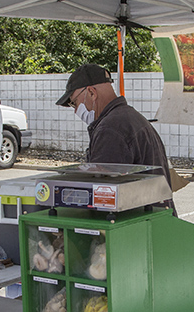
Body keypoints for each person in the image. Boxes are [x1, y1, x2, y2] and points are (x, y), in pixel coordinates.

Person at [56, 64, 176, 214]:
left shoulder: (111, 129)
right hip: (156, 219)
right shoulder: (129, 117)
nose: (75, 110)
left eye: (74, 103)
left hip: (139, 224)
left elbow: (103, 195)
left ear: (92, 93)